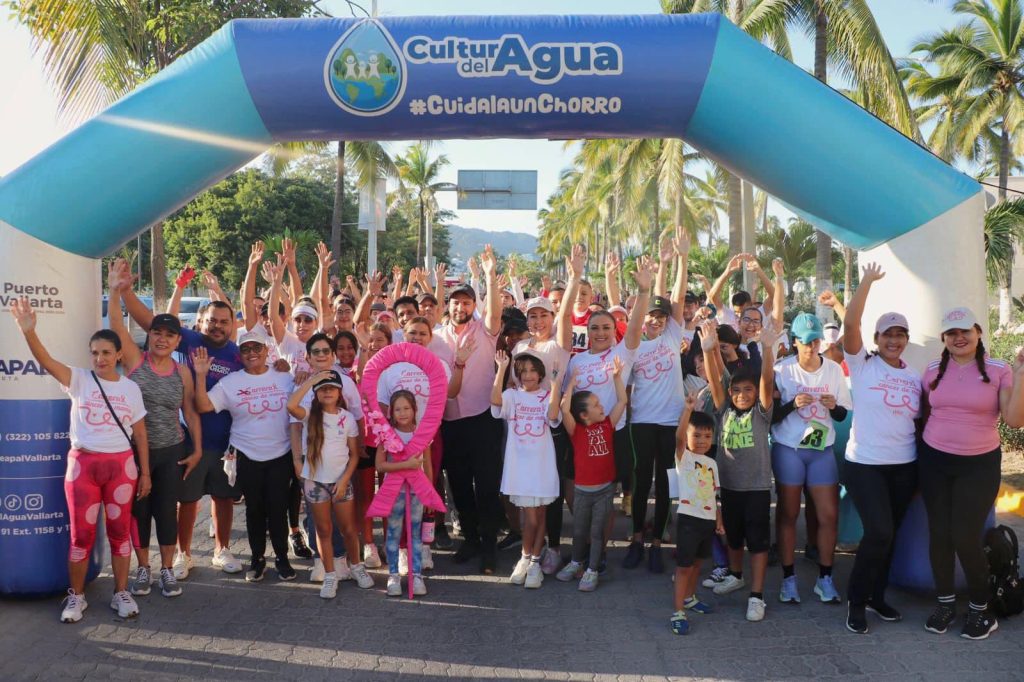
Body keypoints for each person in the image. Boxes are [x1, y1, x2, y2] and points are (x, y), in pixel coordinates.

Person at [11, 297, 150, 622]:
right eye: (95, 353)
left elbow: (141, 435)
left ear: (118, 355)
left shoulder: (130, 389)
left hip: (121, 468)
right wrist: (29, 332)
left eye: (106, 352)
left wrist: (145, 473)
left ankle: (121, 592)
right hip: (83, 467)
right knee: (80, 537)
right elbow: (46, 361)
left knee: (119, 534)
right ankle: (76, 596)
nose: (100, 358)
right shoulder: (78, 379)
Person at [120, 272, 244, 579]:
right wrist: (124, 291)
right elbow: (148, 321)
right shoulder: (189, 340)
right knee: (187, 500)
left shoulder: (238, 354)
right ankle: (183, 554)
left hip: (225, 441)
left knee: (223, 498)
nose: (217, 326)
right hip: (188, 440)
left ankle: (222, 550)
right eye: (212, 321)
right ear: (201, 322)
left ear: (232, 325)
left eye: (224, 322)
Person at [919, 306, 1024, 640]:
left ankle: (981, 608)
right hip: (934, 461)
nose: (959, 337)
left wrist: (1022, 373)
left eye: (965, 330)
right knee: (939, 534)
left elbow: (1014, 420)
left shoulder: (999, 369)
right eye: (951, 333)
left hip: (979, 464)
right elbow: (924, 412)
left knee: (965, 536)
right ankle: (945, 604)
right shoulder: (932, 370)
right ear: (944, 338)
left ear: (978, 332)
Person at [107, 260, 202, 600]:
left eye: (169, 335)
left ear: (177, 341)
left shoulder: (182, 371)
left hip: (171, 450)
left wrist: (197, 449)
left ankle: (166, 569)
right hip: (134, 451)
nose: (162, 339)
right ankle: (143, 568)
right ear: (149, 335)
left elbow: (189, 411)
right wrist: (115, 291)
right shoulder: (135, 360)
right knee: (139, 511)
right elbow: (116, 326)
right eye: (157, 333)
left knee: (165, 510)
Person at [839, 263, 921, 635]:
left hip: (904, 466)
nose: (894, 340)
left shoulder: (914, 377)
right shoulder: (862, 365)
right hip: (865, 465)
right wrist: (867, 281)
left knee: (891, 535)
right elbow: (850, 323)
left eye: (900, 335)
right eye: (888, 334)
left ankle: (877, 596)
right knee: (879, 532)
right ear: (877, 338)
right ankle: (856, 601)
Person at [192, 332, 296, 582]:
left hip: (281, 453)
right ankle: (257, 559)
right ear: (240, 355)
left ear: (267, 350)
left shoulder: (285, 376)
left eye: (257, 348)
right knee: (254, 509)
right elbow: (203, 406)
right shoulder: (231, 382)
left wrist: (301, 374)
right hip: (246, 454)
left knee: (278, 508)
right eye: (246, 349)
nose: (252, 353)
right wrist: (201, 375)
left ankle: (282, 558)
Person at [701, 315, 779, 623]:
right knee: (733, 537)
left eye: (748, 390)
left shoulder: (761, 413)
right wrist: (708, 349)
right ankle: (735, 575)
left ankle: (757, 595)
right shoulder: (724, 410)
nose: (742, 395)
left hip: (756, 488)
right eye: (737, 390)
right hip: (729, 487)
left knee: (757, 542)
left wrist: (768, 350)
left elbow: (767, 382)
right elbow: (715, 381)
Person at [772, 312, 852, 605]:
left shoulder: (833, 370)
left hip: (821, 451)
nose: (812, 346)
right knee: (789, 513)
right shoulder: (782, 370)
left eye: (816, 340)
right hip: (789, 449)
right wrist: (792, 404)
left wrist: (833, 407)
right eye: (806, 341)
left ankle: (825, 578)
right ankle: (788, 578)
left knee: (828, 514)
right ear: (795, 342)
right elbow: (770, 416)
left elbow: (842, 414)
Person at [566, 254, 651, 524]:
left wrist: (644, 292)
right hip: (584, 435)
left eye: (606, 328)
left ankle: (600, 543)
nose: (600, 333)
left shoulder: (622, 354)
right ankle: (585, 539)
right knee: (584, 489)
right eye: (595, 328)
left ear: (615, 331)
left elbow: (635, 327)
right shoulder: (576, 361)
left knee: (608, 494)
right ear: (587, 331)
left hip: (615, 431)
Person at [624, 232, 689, 573]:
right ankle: (636, 539)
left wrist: (682, 259)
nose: (656, 321)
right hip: (642, 422)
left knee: (665, 483)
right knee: (640, 482)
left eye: (661, 317)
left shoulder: (674, 335)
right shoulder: (633, 343)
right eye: (651, 316)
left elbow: (678, 296)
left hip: (671, 420)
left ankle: (657, 544)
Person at [437, 245, 503, 574]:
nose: (460, 307)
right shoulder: (437, 337)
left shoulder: (486, 331)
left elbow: (495, 312)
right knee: (460, 486)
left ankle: (489, 545)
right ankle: (471, 538)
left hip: (483, 419)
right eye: (455, 302)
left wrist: (490, 275)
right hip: (450, 422)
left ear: (474, 306)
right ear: (448, 305)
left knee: (487, 486)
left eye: (466, 302)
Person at [287, 370, 373, 599]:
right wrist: (312, 381)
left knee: (349, 529)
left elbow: (354, 455)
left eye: (331, 388)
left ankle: (356, 567)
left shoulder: (348, 418)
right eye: (322, 388)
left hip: (341, 482)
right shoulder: (309, 415)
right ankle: (330, 575)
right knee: (323, 530)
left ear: (339, 392)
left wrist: (344, 481)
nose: (327, 391)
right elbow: (291, 405)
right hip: (315, 483)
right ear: (316, 393)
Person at [511, 291, 571, 572]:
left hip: (551, 424)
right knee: (528, 491)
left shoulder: (559, 344)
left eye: (543, 315)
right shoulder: (520, 346)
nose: (538, 321)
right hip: (524, 431)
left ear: (552, 318)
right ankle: (530, 549)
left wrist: (574, 278)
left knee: (551, 489)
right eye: (532, 316)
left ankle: (553, 547)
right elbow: (514, 385)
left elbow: (567, 313)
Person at [491, 350, 562, 589]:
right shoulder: (512, 395)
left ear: (540, 373)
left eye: (533, 371)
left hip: (541, 465)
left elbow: (553, 416)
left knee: (539, 514)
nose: (528, 375)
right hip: (520, 467)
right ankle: (527, 559)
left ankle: (532, 562)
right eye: (523, 371)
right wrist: (501, 369)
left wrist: (556, 385)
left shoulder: (547, 396)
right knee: (530, 517)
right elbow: (495, 403)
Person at [555, 358, 627, 592]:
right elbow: (564, 409)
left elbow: (622, 400)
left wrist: (617, 378)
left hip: (605, 490)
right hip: (582, 491)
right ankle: (576, 562)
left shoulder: (608, 424)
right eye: (595, 405)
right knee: (579, 531)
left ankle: (592, 570)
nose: (601, 406)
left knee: (596, 533)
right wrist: (570, 384)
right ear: (584, 415)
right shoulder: (575, 430)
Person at [670, 392, 724, 636]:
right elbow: (679, 437)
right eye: (697, 436)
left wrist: (719, 520)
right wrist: (688, 410)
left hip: (707, 522)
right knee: (684, 567)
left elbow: (714, 495)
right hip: (688, 521)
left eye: (707, 436)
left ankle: (690, 598)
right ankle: (678, 611)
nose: (702, 441)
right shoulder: (684, 457)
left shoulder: (712, 463)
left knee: (698, 564)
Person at [377, 390, 433, 597]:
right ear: (391, 412)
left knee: (415, 533)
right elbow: (380, 465)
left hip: (417, 493)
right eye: (398, 409)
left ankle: (416, 574)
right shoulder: (386, 434)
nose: (402, 413)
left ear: (414, 409)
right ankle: (393, 575)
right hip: (394, 493)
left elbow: (428, 466)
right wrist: (405, 465)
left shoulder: (421, 434)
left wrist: (429, 493)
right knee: (393, 533)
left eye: (406, 408)